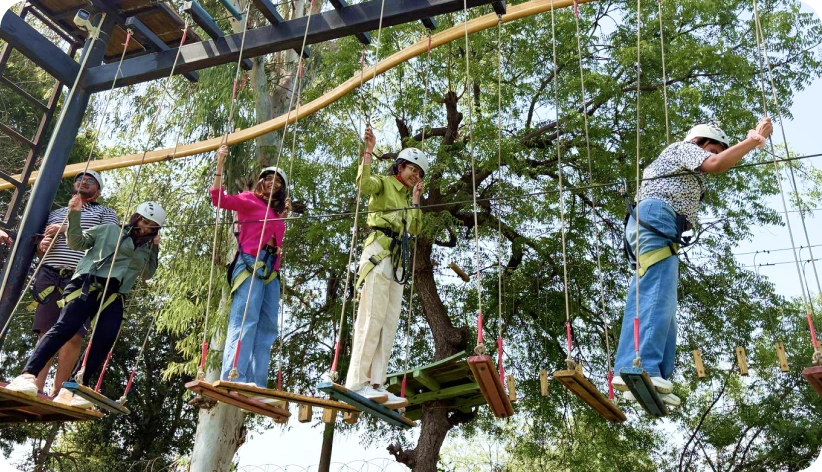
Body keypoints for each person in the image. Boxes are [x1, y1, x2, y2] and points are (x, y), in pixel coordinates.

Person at [612, 118, 773, 407]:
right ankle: (640, 366)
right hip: (656, 217)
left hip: (657, 223)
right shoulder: (682, 149)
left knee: (662, 301)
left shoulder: (685, 167)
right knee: (655, 292)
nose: (715, 154)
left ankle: (654, 374)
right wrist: (753, 140)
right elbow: (716, 164)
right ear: (701, 141)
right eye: (714, 148)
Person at [5, 197, 164, 408]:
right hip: (87, 284)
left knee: (105, 337)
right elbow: (76, 242)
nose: (145, 229)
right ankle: (27, 375)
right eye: (144, 222)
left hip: (114, 294)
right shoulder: (109, 230)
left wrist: (155, 248)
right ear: (136, 218)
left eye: (151, 227)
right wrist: (74, 214)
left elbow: (147, 274)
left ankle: (73, 387)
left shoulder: (145, 248)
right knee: (65, 328)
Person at [343, 127, 426, 409]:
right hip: (378, 251)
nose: (415, 175)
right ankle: (357, 381)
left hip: (397, 259)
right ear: (399, 167)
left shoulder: (406, 197)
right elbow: (364, 185)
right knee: (372, 316)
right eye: (411, 169)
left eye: (419, 173)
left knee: (389, 321)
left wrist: (415, 200)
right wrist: (368, 152)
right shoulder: (383, 183)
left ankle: (377, 382)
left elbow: (415, 227)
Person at [31, 170, 119, 396]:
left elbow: (110, 240)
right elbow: (42, 244)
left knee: (73, 333)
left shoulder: (104, 213)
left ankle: (59, 391)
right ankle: (35, 386)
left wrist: (66, 228)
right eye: (80, 179)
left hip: (82, 276)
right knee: (46, 331)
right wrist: (42, 246)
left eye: (90, 181)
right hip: (51, 273)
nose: (83, 182)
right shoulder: (57, 212)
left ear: (98, 189)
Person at [211, 145, 291, 393]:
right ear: (261, 182)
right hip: (249, 262)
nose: (273, 183)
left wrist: (282, 216)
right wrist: (220, 164)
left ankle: (256, 383)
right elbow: (218, 199)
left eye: (278, 181)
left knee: (267, 326)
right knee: (246, 320)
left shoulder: (277, 214)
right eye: (269, 179)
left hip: (270, 271)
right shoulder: (248, 200)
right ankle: (235, 376)